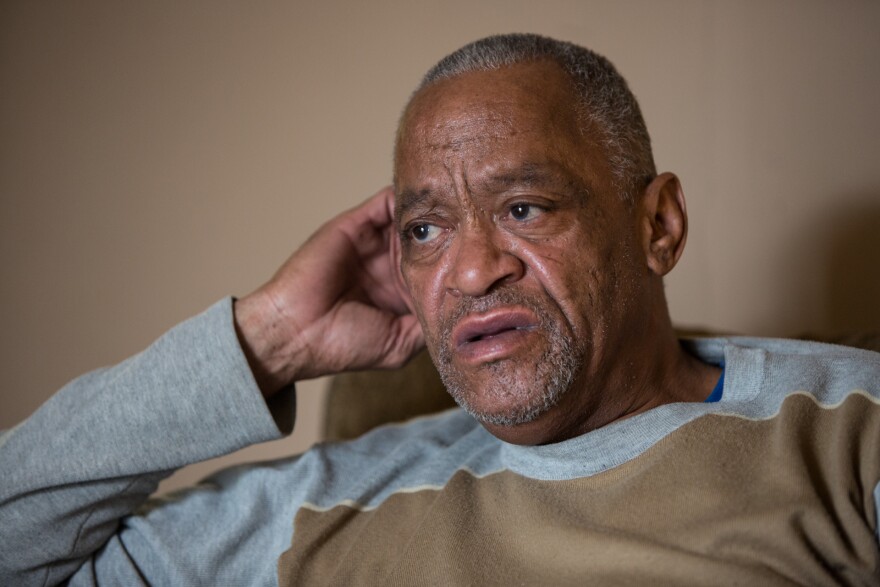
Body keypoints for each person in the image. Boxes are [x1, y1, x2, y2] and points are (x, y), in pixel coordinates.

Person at [1, 33, 879, 586]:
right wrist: (263, 337)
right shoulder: (316, 508)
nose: (469, 270)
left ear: (658, 225)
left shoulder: (847, 431)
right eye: (424, 228)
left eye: (523, 208)